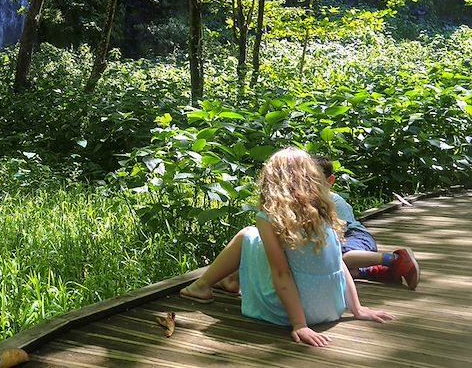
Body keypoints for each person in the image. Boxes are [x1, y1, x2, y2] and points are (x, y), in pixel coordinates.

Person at [180, 147, 394, 347]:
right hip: (332, 307)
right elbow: (338, 262)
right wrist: (357, 309)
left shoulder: (267, 217)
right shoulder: (324, 208)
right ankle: (229, 280)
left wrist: (300, 324)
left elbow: (281, 273)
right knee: (271, 245)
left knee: (247, 235)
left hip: (293, 313)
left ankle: (202, 286)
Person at [312, 156, 420, 290]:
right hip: (336, 244)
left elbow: (341, 228)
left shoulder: (334, 201)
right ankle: (378, 271)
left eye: (315, 180)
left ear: (330, 181)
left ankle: (395, 259)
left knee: (341, 260)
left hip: (355, 237)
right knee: (329, 273)